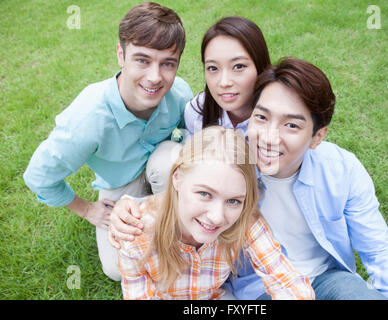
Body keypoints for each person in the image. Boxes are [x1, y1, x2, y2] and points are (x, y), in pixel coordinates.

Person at [22, 2, 193, 281]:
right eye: (142, 60)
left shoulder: (180, 93)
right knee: (117, 270)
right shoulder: (87, 119)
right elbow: (39, 176)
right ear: (120, 54)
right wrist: (86, 209)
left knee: (171, 160)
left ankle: (177, 223)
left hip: (161, 166)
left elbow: (197, 137)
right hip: (119, 185)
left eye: (167, 63)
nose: (155, 77)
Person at [229, 57, 388, 300]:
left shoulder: (342, 170)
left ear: (317, 137)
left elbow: (378, 251)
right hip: (264, 286)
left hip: (328, 279)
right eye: (262, 118)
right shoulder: (228, 168)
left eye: (292, 126)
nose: (269, 138)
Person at [108, 16, 271, 249]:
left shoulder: (274, 119)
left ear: (260, 66)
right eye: (213, 68)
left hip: (246, 208)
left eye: (239, 67)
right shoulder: (198, 111)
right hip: (206, 201)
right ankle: (175, 231)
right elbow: (192, 178)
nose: (224, 82)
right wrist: (131, 206)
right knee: (167, 159)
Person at [116, 126, 315, 300]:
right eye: (204, 193)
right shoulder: (136, 231)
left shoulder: (244, 219)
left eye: (233, 201)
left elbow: (285, 280)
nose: (217, 216)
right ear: (177, 178)